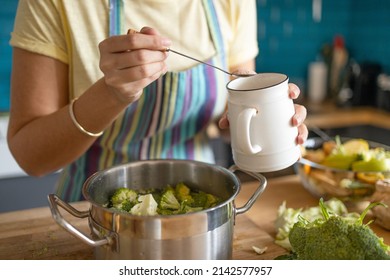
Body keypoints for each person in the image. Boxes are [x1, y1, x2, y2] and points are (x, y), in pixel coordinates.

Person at [8, 0, 308, 202]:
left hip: (202, 207)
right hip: (95, 213)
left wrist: (270, 123)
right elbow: (31, 158)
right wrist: (110, 94)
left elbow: (235, 117)